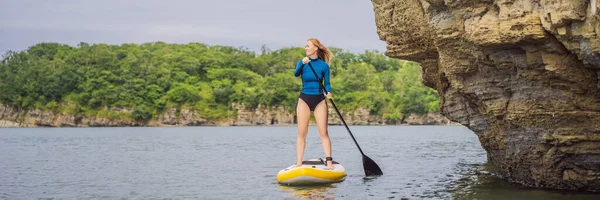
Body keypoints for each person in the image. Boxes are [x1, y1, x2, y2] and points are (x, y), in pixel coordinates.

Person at [293, 38, 334, 169]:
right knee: (302, 133)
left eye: (308, 46)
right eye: (305, 46)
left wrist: (328, 92)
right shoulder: (302, 62)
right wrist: (302, 64)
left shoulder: (324, 66)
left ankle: (329, 162)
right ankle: (299, 162)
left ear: (316, 48)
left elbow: (326, 83)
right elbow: (295, 74)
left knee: (323, 133)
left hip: (319, 100)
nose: (305, 48)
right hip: (304, 99)